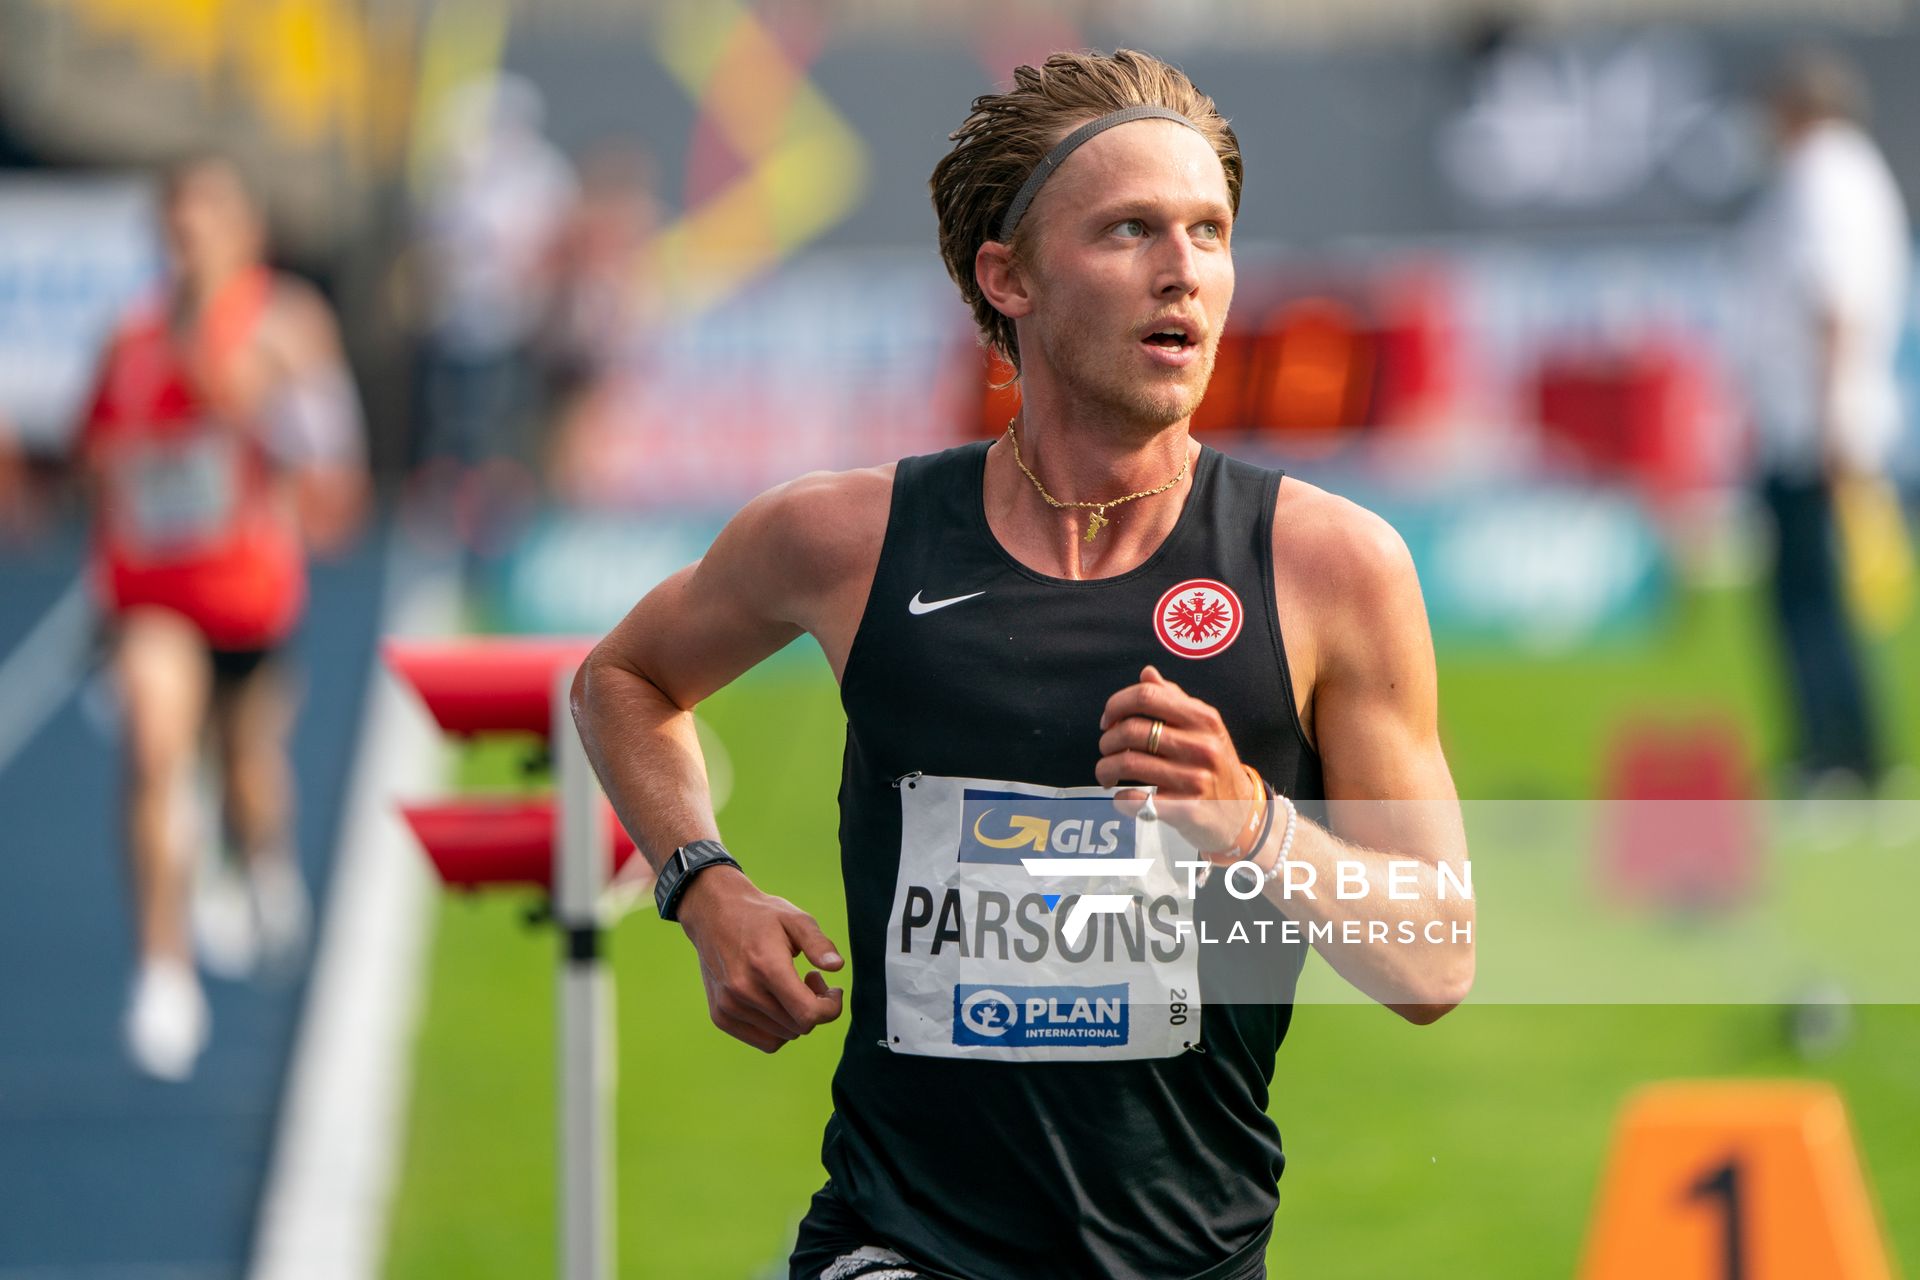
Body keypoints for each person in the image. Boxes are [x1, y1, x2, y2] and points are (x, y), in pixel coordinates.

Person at [573, 50, 1472, 1280]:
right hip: (901, 1242)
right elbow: (621, 678)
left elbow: (1434, 957)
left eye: (1211, 232)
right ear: (1012, 275)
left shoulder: (1329, 566)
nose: (1184, 272)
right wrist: (701, 881)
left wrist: (1254, 825)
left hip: (1189, 1251)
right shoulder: (847, 538)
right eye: (1129, 231)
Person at [77, 154, 368, 1081]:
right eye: (177, 215)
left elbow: (333, 461)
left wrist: (252, 401)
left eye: (209, 215)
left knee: (246, 764)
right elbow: (99, 459)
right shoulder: (125, 338)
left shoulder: (285, 324)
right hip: (151, 592)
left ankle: (263, 856)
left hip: (245, 587)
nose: (190, 232)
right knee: (155, 749)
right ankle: (164, 967)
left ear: (245, 230)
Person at [1739, 48, 1911, 793]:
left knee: (1815, 603)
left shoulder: (1823, 179)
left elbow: (1833, 305)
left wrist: (1834, 424)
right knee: (1818, 599)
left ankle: (1840, 756)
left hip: (1819, 432)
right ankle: (1842, 750)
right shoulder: (1850, 174)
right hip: (1821, 422)